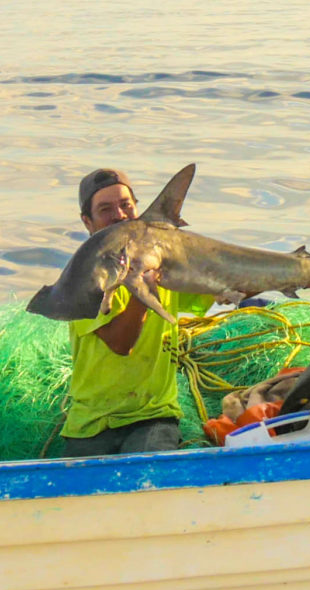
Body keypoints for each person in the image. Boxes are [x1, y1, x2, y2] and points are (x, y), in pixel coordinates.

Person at [59, 168, 215, 457]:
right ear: (87, 222)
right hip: (93, 423)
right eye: (105, 209)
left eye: (126, 205)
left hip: (153, 415)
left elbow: (228, 286)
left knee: (148, 476)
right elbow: (121, 343)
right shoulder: (83, 276)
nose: (119, 215)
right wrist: (142, 284)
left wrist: (301, 272)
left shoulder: (165, 263)